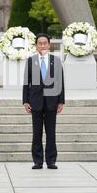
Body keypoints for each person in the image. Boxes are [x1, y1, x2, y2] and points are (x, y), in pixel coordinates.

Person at [23, 33, 64, 170]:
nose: (42, 45)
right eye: (39, 43)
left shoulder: (56, 61)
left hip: (52, 101)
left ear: (49, 45)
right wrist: (25, 101)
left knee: (51, 132)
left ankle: (51, 160)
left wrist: (61, 101)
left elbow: (60, 82)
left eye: (45, 43)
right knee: (37, 132)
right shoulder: (31, 61)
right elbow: (26, 83)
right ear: (36, 46)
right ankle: (38, 161)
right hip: (35, 101)